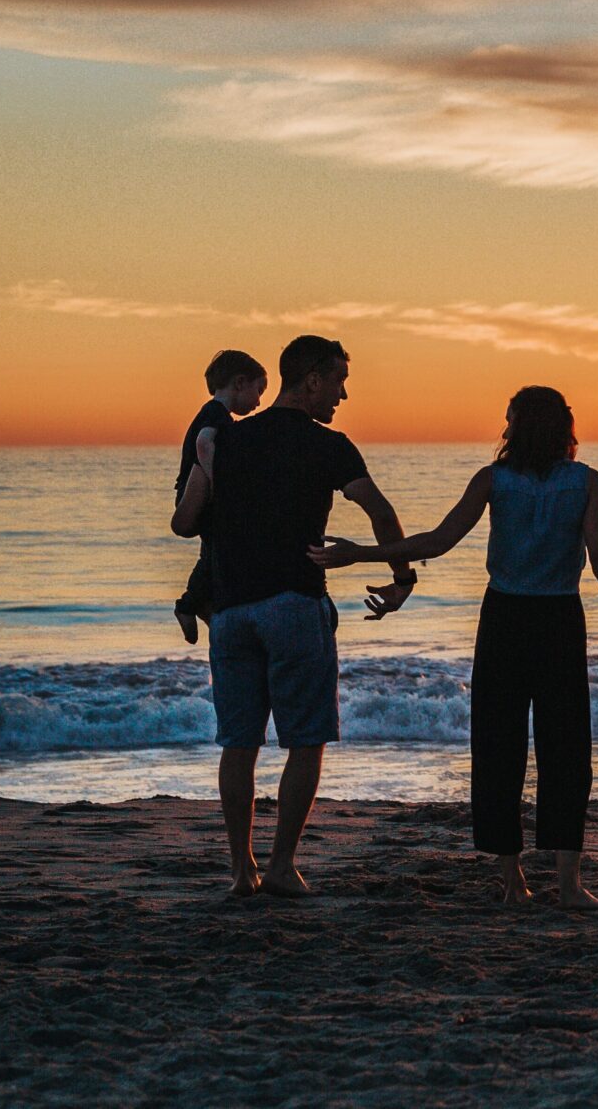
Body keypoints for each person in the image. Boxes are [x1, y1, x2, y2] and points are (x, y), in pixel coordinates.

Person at [311, 386, 598, 909]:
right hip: (556, 618)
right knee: (566, 750)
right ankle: (567, 885)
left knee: (499, 746)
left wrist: (365, 554)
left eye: (509, 419)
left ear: (521, 426)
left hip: (509, 618)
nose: (504, 427)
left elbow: (439, 541)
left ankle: (516, 881)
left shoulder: (498, 479)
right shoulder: (583, 481)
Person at [170, 335, 414, 898]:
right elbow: (379, 510)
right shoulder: (329, 445)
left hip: (230, 611)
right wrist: (402, 579)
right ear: (311, 381)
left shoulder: (227, 438)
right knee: (305, 741)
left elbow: (189, 518)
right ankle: (280, 864)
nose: (343, 395)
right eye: (338, 382)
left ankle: (240, 870)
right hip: (293, 605)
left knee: (239, 744)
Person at [172, 349, 267, 644]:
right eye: (258, 390)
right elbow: (204, 444)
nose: (259, 401)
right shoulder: (216, 413)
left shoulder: (215, 414)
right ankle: (190, 603)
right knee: (216, 550)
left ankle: (200, 603)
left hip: (197, 492)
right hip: (198, 494)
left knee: (213, 550)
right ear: (240, 383)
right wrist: (218, 481)